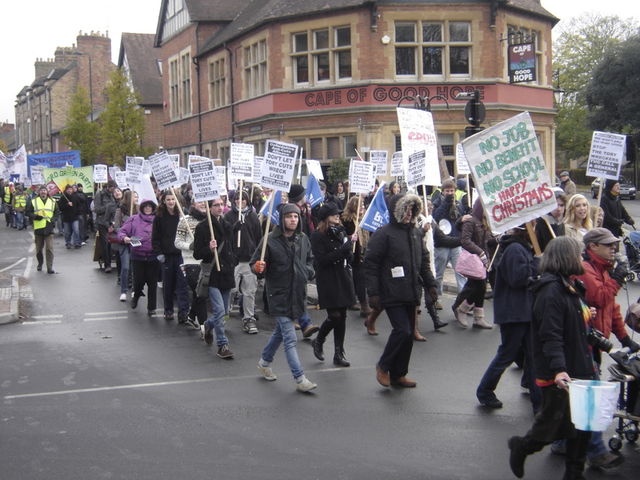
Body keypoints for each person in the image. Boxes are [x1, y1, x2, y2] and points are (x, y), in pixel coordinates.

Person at [508, 236, 595, 480]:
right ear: (567, 258)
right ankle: (522, 446)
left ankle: (574, 473)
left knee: (582, 426)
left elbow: (573, 326)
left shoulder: (570, 285)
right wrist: (559, 369)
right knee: (551, 426)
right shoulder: (550, 291)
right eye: (578, 254)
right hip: (561, 370)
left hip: (580, 365)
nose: (582, 258)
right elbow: (550, 335)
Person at [573, 227, 640, 468]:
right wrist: (617, 279)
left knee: (577, 396)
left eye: (614, 244)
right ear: (593, 247)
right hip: (584, 342)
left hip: (596, 342)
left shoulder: (602, 269)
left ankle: (562, 442)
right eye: (608, 245)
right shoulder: (585, 269)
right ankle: (597, 451)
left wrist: (624, 338)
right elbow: (599, 297)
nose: (614, 248)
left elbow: (612, 308)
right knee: (591, 395)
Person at [364, 193, 437, 388]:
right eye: (405, 209)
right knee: (402, 330)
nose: (409, 213)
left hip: (411, 290)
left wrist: (431, 285)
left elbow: (424, 262)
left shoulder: (416, 233)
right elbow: (371, 264)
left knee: (409, 335)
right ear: (396, 211)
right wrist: (373, 293)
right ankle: (383, 366)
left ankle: (399, 374)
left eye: (411, 209)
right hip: (391, 290)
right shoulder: (383, 234)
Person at [251, 203, 318, 392]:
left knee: (279, 333)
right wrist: (257, 268)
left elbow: (310, 260)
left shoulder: (303, 238)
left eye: (295, 216)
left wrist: (308, 272)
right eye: (289, 216)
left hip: (298, 294)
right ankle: (300, 378)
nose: (293, 220)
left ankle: (264, 362)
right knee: (290, 338)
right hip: (278, 295)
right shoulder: (269, 240)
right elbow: (254, 265)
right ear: (282, 219)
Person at [476, 226, 541, 411]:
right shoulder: (514, 249)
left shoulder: (521, 248)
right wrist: (537, 264)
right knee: (507, 354)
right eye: (532, 225)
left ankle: (538, 399)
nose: (535, 229)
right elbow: (517, 278)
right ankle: (485, 390)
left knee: (532, 355)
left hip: (523, 311)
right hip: (514, 312)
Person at [310, 203, 357, 367]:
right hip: (327, 278)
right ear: (325, 217)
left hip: (343, 276)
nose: (337, 216)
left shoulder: (341, 231)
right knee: (334, 315)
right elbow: (322, 260)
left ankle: (339, 353)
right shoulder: (317, 235)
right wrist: (342, 250)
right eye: (333, 214)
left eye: (338, 213)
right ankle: (319, 340)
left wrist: (350, 251)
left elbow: (348, 257)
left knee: (342, 316)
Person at [193, 198, 237, 360]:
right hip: (212, 274)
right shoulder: (203, 227)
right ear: (209, 207)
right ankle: (222, 345)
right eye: (216, 205)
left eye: (221, 205)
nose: (220, 207)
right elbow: (197, 253)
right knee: (219, 310)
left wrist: (233, 261)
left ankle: (208, 325)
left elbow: (231, 247)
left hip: (227, 273)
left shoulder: (227, 225)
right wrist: (209, 249)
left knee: (224, 313)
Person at [451, 199, 493, 329]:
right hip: (474, 260)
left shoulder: (485, 221)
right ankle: (461, 309)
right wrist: (480, 252)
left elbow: (487, 240)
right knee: (476, 286)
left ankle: (477, 317)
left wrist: (497, 239)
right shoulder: (470, 221)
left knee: (479, 287)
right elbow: (465, 240)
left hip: (483, 260)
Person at [225, 189, 262, 334]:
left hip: (249, 260)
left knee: (249, 292)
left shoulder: (253, 216)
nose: (239, 201)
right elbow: (225, 236)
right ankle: (224, 315)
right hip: (233, 260)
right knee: (230, 290)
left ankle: (248, 318)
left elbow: (258, 238)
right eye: (237, 199)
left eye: (243, 199)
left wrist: (258, 257)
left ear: (247, 200)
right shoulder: (229, 216)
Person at [152, 191, 190, 323]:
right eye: (168, 199)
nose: (171, 202)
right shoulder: (159, 216)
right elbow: (155, 237)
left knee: (182, 285)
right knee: (168, 285)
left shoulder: (183, 215)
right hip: (167, 256)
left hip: (181, 255)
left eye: (173, 199)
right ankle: (168, 310)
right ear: (164, 201)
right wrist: (159, 253)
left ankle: (183, 312)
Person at [118, 199, 160, 316]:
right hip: (138, 256)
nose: (148, 208)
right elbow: (122, 231)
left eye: (150, 206)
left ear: (153, 208)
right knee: (138, 281)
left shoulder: (158, 220)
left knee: (152, 283)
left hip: (153, 256)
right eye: (145, 206)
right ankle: (136, 296)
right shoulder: (134, 219)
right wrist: (124, 238)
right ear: (141, 208)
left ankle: (151, 308)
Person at [174, 201, 208, 330]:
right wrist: (190, 246)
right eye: (200, 202)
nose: (203, 204)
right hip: (191, 262)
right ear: (193, 204)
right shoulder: (185, 220)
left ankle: (192, 316)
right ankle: (204, 326)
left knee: (199, 293)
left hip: (207, 261)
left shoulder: (210, 220)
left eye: (205, 202)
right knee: (201, 293)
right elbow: (177, 242)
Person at [432, 179, 467, 297]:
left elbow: (459, 220)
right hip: (442, 244)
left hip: (456, 243)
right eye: (447, 191)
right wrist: (446, 203)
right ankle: (436, 298)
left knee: (461, 273)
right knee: (439, 274)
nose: (450, 193)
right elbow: (436, 217)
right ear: (442, 191)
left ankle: (462, 299)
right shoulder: (437, 203)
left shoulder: (458, 204)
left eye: (452, 191)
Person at [341, 196, 371, 318]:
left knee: (357, 279)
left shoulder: (364, 219)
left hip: (363, 253)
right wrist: (350, 237)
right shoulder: (347, 220)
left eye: (363, 205)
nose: (362, 207)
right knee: (359, 279)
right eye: (360, 205)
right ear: (353, 206)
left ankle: (353, 300)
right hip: (352, 253)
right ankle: (364, 305)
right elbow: (343, 235)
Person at [26, 185, 59, 274]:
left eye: (45, 190)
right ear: (39, 192)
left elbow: (57, 212)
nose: (43, 192)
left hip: (49, 227)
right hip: (38, 227)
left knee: (49, 248)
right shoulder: (34, 201)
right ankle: (40, 263)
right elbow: (28, 212)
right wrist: (36, 216)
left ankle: (50, 267)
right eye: (41, 190)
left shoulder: (53, 201)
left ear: (47, 192)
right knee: (39, 249)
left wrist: (53, 220)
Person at [113, 190, 137, 302]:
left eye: (137, 197)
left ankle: (135, 290)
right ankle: (123, 291)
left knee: (135, 267)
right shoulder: (120, 210)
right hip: (124, 242)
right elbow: (116, 227)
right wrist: (124, 235)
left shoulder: (139, 210)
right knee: (126, 267)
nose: (136, 199)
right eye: (134, 197)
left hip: (136, 241)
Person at [94, 180, 118, 273]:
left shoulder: (114, 195)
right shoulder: (100, 194)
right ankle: (107, 264)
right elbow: (97, 209)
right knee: (105, 244)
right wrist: (108, 207)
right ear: (108, 187)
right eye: (112, 188)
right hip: (102, 222)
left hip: (113, 222)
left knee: (113, 242)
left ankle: (115, 262)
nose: (114, 190)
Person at [58, 184, 81, 249]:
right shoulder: (63, 198)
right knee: (67, 232)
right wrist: (67, 204)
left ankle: (76, 243)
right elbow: (60, 207)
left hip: (75, 217)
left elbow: (79, 206)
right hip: (66, 218)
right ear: (66, 190)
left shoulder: (75, 197)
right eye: (68, 189)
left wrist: (78, 213)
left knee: (76, 230)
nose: (69, 190)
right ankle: (68, 243)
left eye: (70, 189)